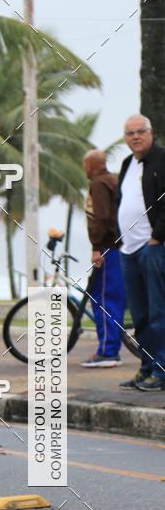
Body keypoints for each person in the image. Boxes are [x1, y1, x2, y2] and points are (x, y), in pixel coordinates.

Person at [117, 114, 165, 391]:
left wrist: (157, 238)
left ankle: (161, 370)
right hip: (129, 251)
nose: (135, 136)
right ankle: (146, 368)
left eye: (140, 131)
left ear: (151, 132)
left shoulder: (161, 159)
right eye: (129, 133)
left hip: (153, 249)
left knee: (159, 313)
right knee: (140, 316)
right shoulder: (128, 163)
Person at [81, 149, 126, 367]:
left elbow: (102, 217)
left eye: (85, 165)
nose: (84, 169)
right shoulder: (113, 180)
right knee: (102, 297)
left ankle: (108, 352)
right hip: (116, 248)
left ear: (92, 165)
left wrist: (97, 247)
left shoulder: (99, 184)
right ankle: (105, 348)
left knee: (105, 299)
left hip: (109, 249)